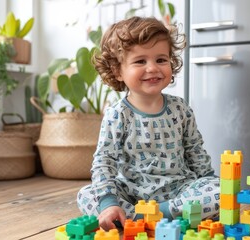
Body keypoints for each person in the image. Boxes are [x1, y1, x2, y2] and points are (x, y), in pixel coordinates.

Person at [76, 16, 220, 231]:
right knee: (86, 195)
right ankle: (130, 214)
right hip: (131, 192)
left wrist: (209, 184)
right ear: (117, 71)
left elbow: (195, 150)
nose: (152, 68)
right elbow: (104, 161)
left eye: (161, 60)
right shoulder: (117, 114)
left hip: (177, 191)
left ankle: (153, 216)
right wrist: (109, 203)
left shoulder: (180, 108)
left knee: (221, 189)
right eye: (140, 61)